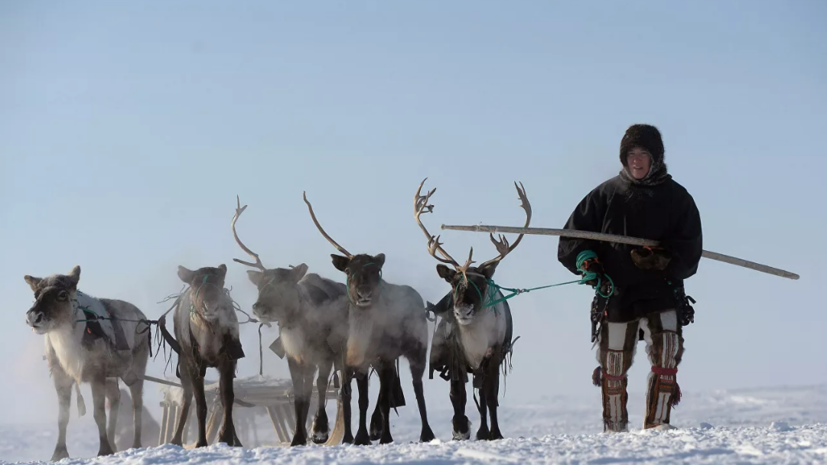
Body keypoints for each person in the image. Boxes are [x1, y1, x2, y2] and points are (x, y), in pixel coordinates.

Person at [557, 123, 703, 432]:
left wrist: (665, 258)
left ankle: (658, 428)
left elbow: (690, 248)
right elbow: (573, 239)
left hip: (662, 291)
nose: (636, 161)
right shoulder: (606, 194)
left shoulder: (678, 198)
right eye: (631, 154)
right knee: (613, 364)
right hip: (617, 291)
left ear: (656, 158)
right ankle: (614, 432)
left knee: (667, 352)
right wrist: (588, 263)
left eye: (643, 154)